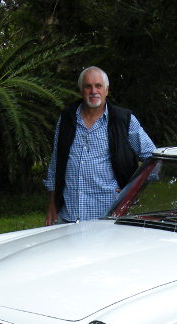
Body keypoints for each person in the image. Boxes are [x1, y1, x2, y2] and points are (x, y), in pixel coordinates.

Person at [44, 66, 156, 224]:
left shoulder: (123, 120)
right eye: (88, 86)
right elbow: (55, 163)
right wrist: (52, 204)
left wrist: (133, 189)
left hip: (107, 218)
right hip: (69, 215)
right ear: (81, 91)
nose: (93, 91)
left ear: (106, 90)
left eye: (98, 86)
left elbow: (153, 158)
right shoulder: (67, 119)